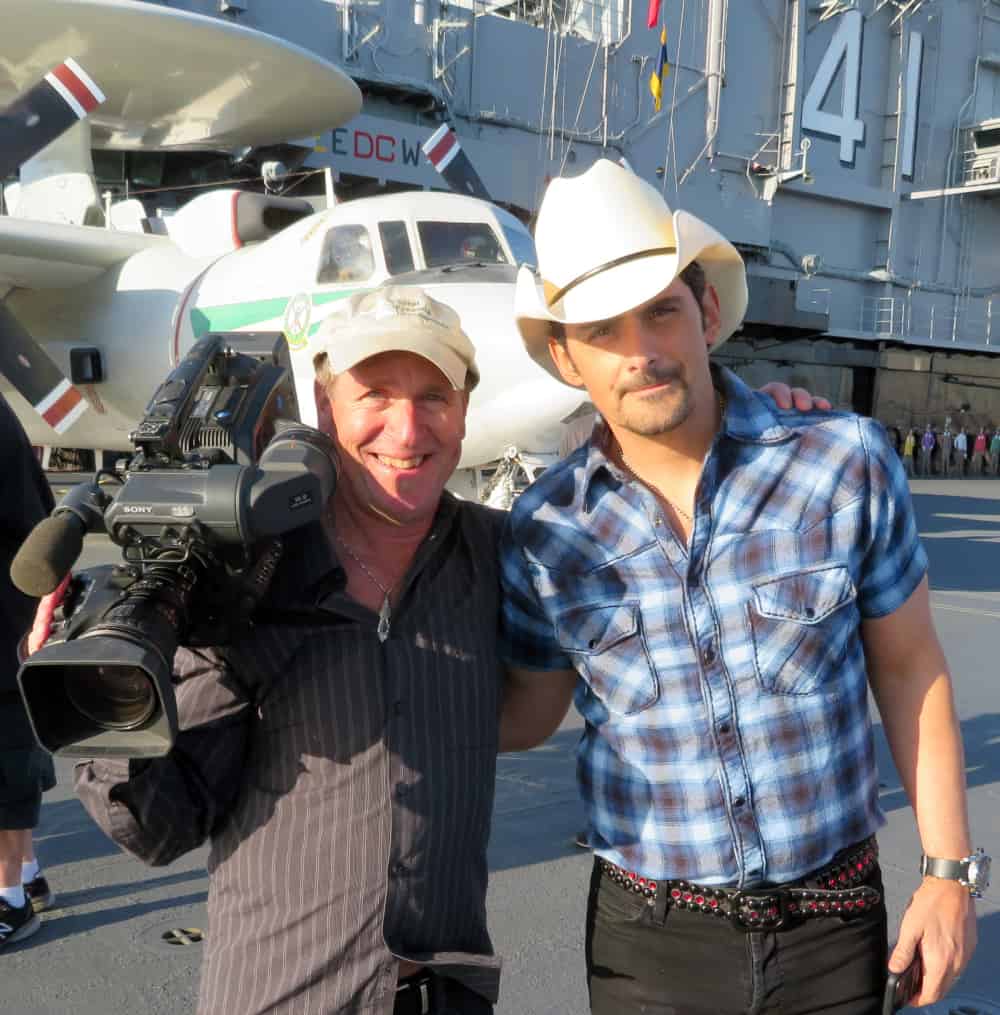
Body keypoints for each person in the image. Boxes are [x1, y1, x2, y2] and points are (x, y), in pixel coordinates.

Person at [27, 286, 823, 1010]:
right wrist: (108, 698)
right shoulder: (253, 571)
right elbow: (162, 825)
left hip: (447, 992)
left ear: (465, 410)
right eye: (375, 394)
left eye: (433, 396)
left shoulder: (507, 555)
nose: (406, 431)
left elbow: (657, 552)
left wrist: (745, 430)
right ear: (327, 407)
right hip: (281, 994)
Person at [498, 160, 982, 1013]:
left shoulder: (844, 461)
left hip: (832, 924)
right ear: (568, 359)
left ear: (708, 312)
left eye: (661, 311)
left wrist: (949, 874)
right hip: (648, 942)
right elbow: (526, 712)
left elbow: (910, 669)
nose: (641, 352)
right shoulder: (547, 530)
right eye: (602, 330)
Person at [0, 394, 57, 950]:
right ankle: (28, 874)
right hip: (13, 615)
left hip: (4, 620)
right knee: (13, 759)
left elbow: (32, 526)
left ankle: (10, 900)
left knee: (6, 767)